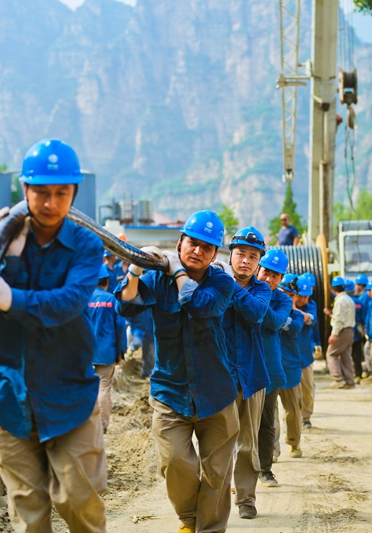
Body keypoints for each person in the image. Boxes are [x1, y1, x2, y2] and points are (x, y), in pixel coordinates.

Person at [0, 138, 107, 532]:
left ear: (73, 194)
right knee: (28, 515)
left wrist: (11, 296)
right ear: (24, 190)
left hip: (70, 398)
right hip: (10, 399)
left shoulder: (86, 245)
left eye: (61, 193)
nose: (50, 203)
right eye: (41, 193)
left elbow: (69, 303)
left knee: (80, 503)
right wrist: (6, 255)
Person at [117, 210, 238, 533]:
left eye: (206, 248)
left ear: (215, 255)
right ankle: (189, 519)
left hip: (217, 394)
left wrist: (178, 271)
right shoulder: (158, 279)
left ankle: (209, 529)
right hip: (170, 393)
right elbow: (126, 305)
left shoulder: (223, 282)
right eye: (192, 244)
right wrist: (135, 267)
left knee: (217, 473)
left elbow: (199, 305)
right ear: (179, 242)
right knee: (174, 463)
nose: (197, 251)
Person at [218, 227, 271, 520]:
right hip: (220, 376)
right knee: (218, 441)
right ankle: (216, 495)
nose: (246, 261)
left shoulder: (262, 289)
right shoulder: (214, 283)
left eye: (253, 256)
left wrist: (227, 283)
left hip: (251, 375)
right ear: (231, 255)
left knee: (248, 442)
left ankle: (246, 499)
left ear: (259, 262)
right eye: (241, 254)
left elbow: (254, 313)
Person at [256, 250, 291, 488]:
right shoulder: (241, 289)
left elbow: (276, 322)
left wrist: (259, 298)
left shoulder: (284, 300)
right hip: (242, 370)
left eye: (275, 276)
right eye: (266, 272)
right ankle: (238, 470)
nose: (269, 279)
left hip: (270, 371)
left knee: (266, 424)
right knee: (235, 425)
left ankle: (265, 470)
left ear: (281, 279)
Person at [87, 265, 128, 433]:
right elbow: (120, 328)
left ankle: (85, 425)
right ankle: (102, 425)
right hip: (106, 352)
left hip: (84, 353)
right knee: (103, 388)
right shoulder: (112, 300)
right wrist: (121, 352)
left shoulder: (82, 299)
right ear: (106, 282)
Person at [278, 274, 306, 458]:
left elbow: (294, 328)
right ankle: (271, 449)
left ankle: (294, 443)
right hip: (269, 367)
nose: (287, 297)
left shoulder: (297, 316)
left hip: (289, 368)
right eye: (284, 293)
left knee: (293, 409)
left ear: (295, 297)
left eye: (290, 295)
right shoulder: (266, 309)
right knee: (268, 414)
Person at [323, 276, 357, 388]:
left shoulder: (340, 301)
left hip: (341, 332)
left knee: (331, 354)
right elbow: (343, 317)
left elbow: (338, 320)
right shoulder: (349, 299)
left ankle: (338, 380)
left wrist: (333, 334)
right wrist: (330, 314)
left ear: (333, 288)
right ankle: (350, 381)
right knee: (346, 355)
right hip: (350, 331)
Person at [293, 278, 317, 429]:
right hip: (288, 355)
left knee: (307, 388)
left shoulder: (311, 306)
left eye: (305, 296)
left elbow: (310, 319)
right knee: (290, 393)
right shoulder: (284, 303)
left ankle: (306, 417)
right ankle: (291, 419)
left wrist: (294, 309)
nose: (302, 299)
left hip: (305, 355)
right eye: (299, 295)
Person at [126, 308, 155, 378]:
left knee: (149, 354)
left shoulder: (153, 303)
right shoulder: (137, 302)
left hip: (151, 332)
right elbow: (127, 316)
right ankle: (129, 351)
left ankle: (146, 373)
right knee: (137, 343)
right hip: (138, 329)